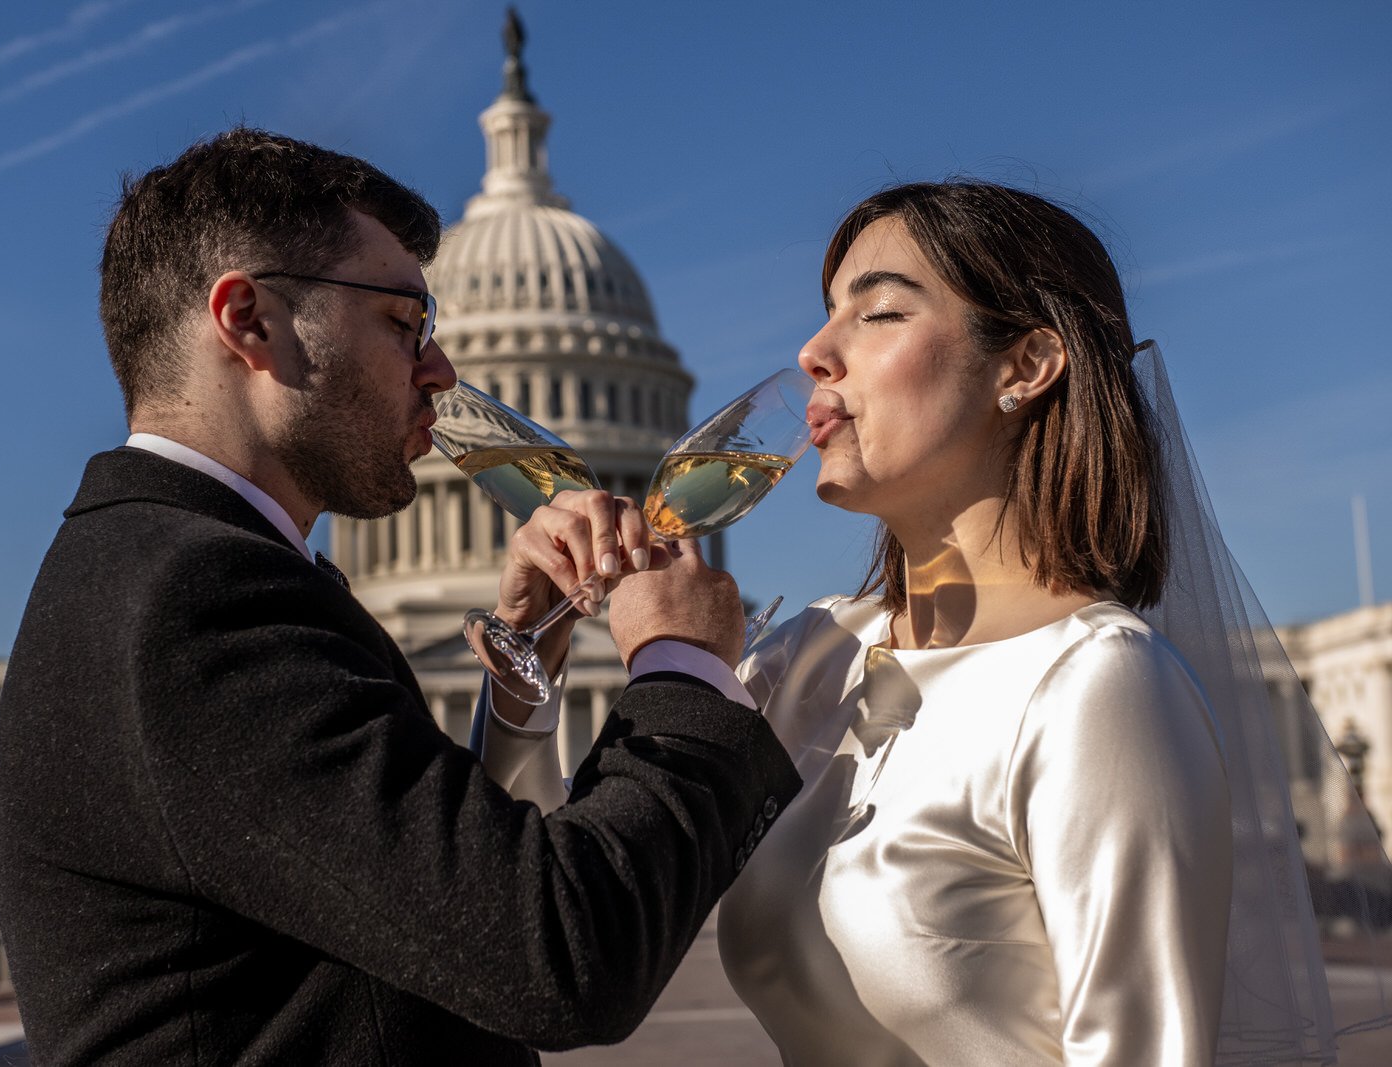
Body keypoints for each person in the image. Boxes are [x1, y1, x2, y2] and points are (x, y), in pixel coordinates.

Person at [492, 181, 1392, 1064]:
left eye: (877, 313)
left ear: (1026, 365)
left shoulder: (1097, 684)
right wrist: (529, 673)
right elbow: (554, 918)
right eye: (826, 313)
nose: (813, 350)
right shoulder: (807, 658)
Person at [0, 127, 800, 1067]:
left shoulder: (167, 568)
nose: (444, 374)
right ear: (248, 320)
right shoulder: (198, 600)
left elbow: (438, 908)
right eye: (405, 324)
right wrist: (683, 666)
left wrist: (526, 674)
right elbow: (566, 955)